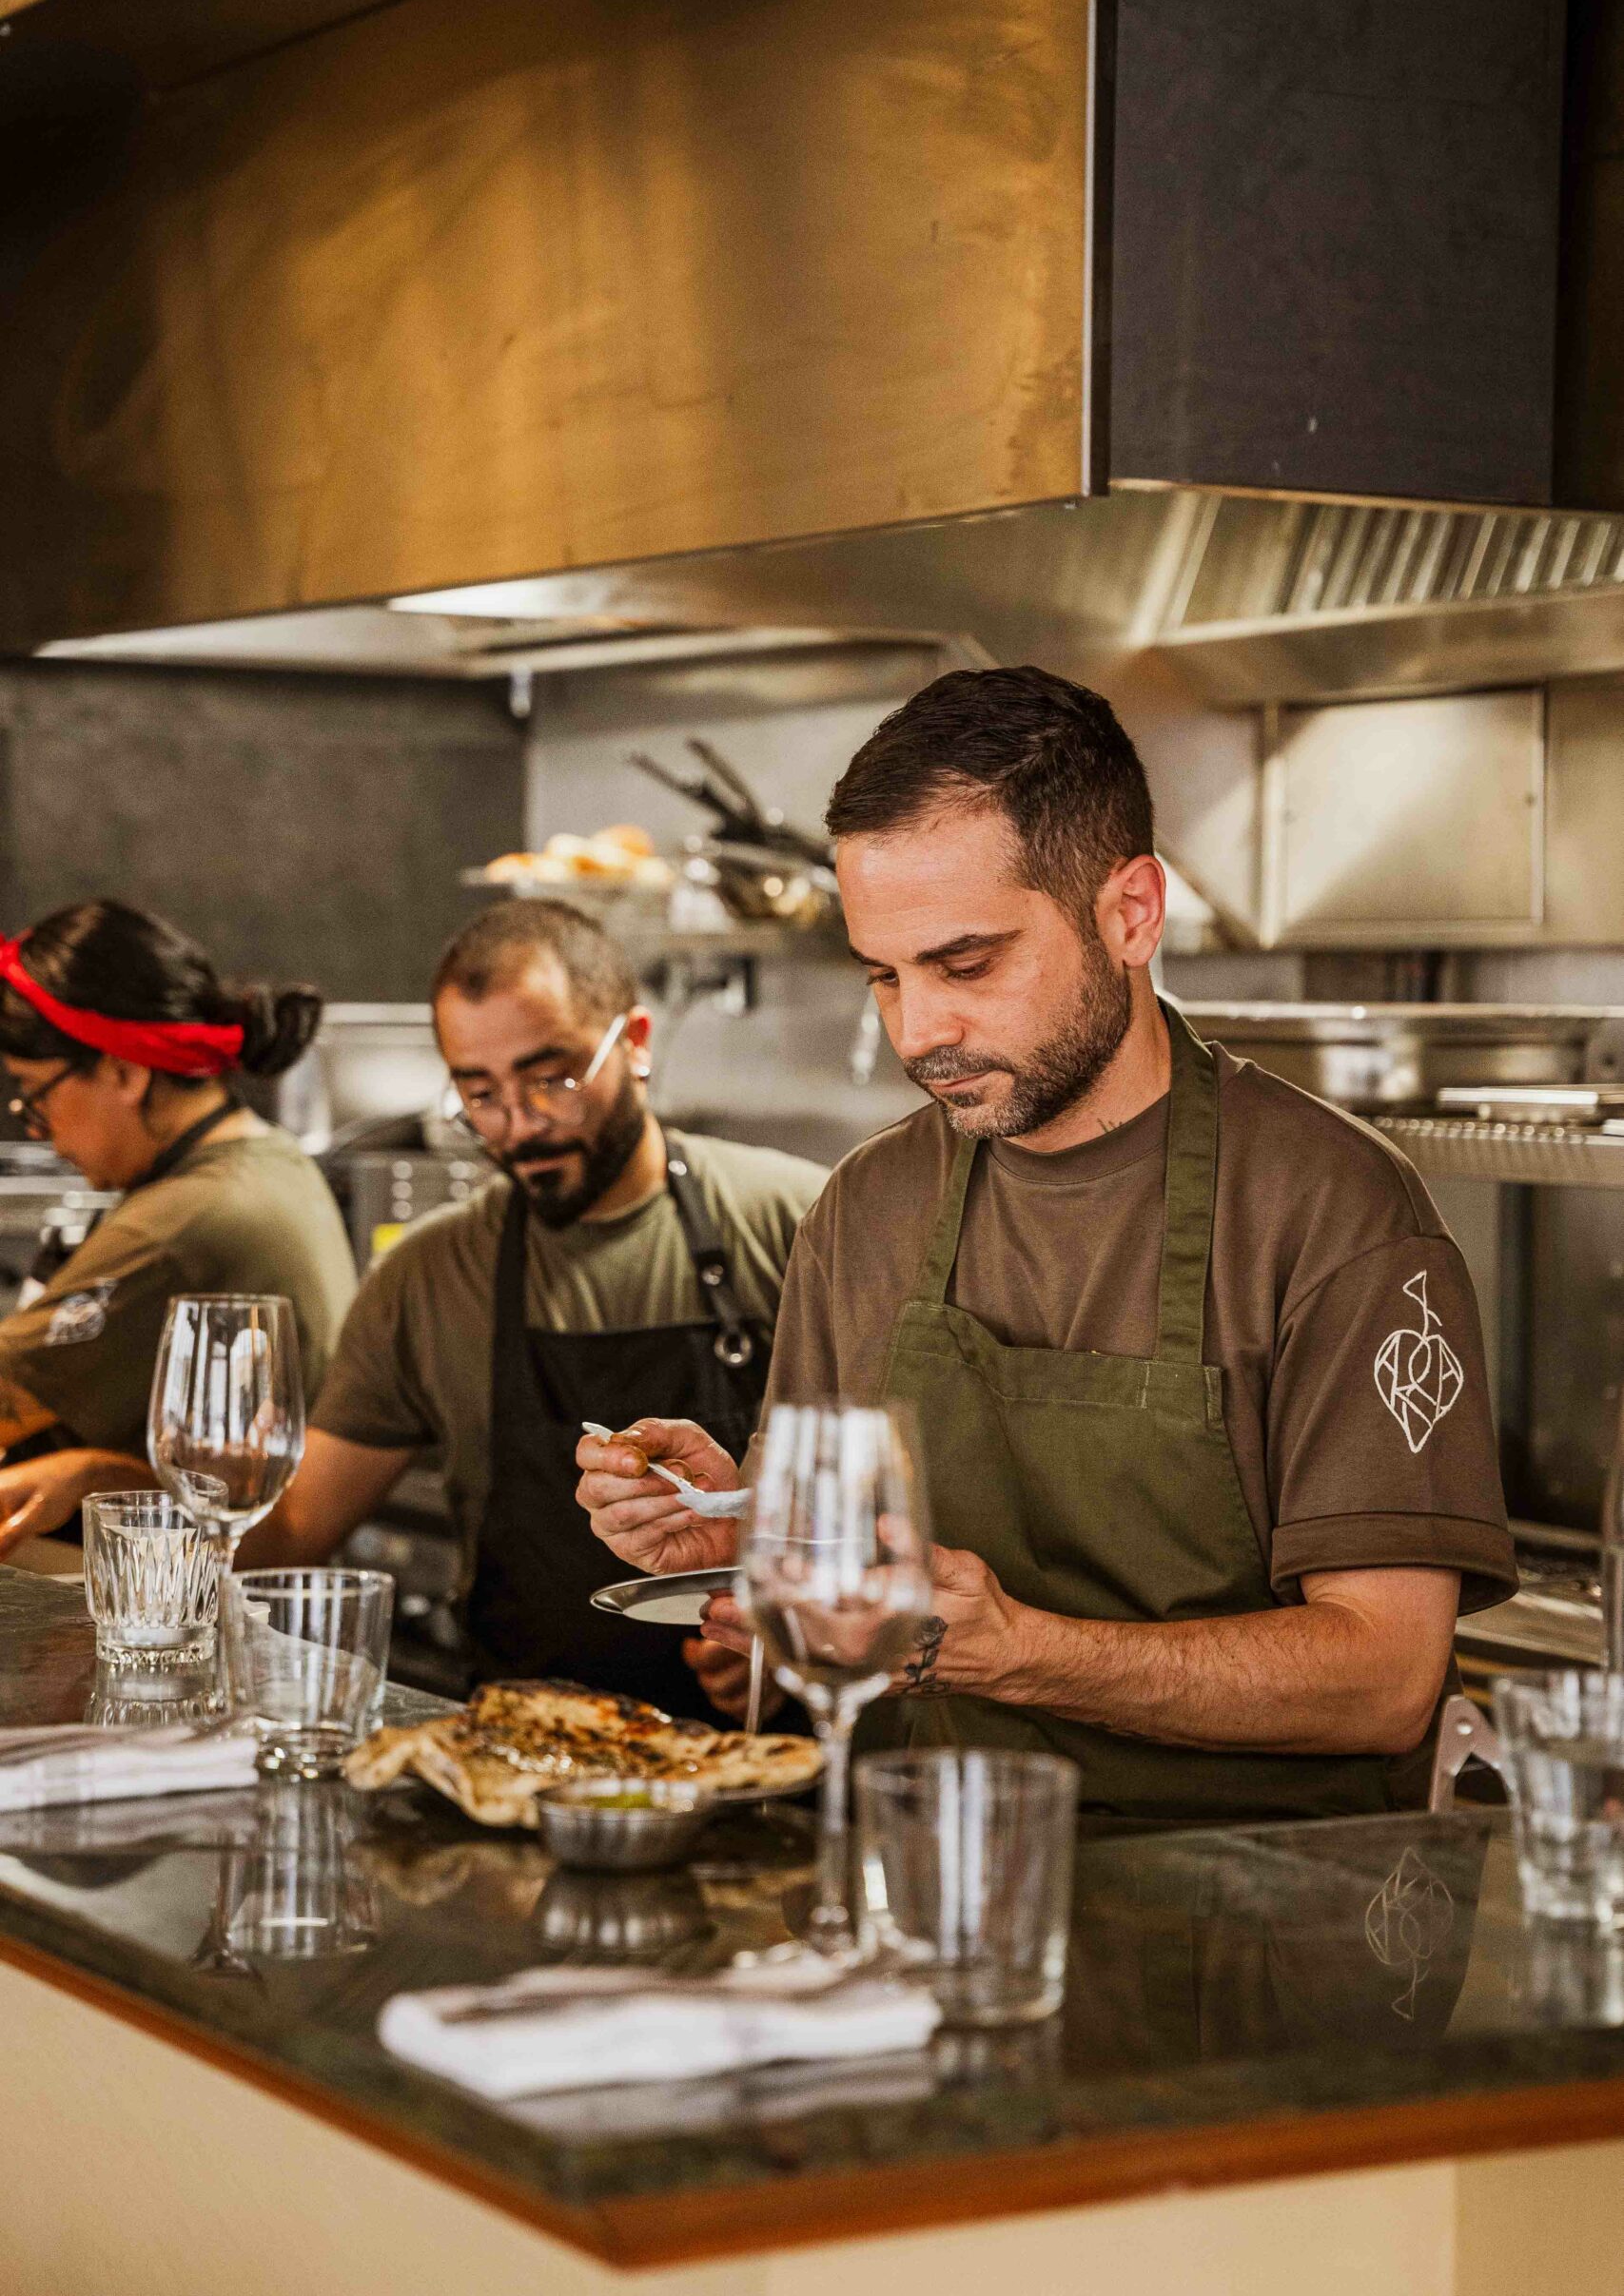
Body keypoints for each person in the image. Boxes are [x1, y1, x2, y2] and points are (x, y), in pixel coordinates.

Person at [578, 667, 1519, 1822]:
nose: (919, 1032)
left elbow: (1384, 1678)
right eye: (883, 975)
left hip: (1258, 1906)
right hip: (920, 1880)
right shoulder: (865, 1208)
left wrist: (1021, 1650)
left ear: (1131, 914)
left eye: (967, 964)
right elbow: (824, 1606)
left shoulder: (1335, 1212)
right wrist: (736, 1532)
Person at [240, 899, 825, 1719]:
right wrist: (146, 1523)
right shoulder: (427, 1276)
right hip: (520, 1752)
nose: (518, 1126)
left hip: (769, 1758)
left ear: (636, 1043)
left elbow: (899, 1500)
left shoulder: (805, 1223)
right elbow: (296, 1526)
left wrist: (797, 1633)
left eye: (551, 1079)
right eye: (480, 1094)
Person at [0, 900, 356, 1559]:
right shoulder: (263, 1157)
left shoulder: (189, 1218)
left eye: (35, 1092)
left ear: (124, 1071)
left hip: (198, 1590)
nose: (36, 1126)